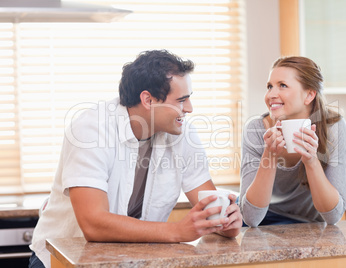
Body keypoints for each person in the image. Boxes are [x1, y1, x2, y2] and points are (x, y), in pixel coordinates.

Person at [29, 50, 242, 268]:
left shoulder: (182, 134)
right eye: (181, 100)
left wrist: (228, 222)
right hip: (61, 260)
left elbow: (210, 207)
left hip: (132, 259)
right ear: (148, 99)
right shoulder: (91, 130)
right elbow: (93, 224)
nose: (189, 108)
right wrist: (177, 230)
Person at [239, 56, 346, 227]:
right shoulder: (255, 130)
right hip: (262, 218)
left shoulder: (333, 128)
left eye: (282, 85)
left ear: (309, 95)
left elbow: (333, 216)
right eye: (269, 86)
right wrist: (269, 155)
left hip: (306, 224)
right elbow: (251, 218)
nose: (271, 95)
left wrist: (311, 161)